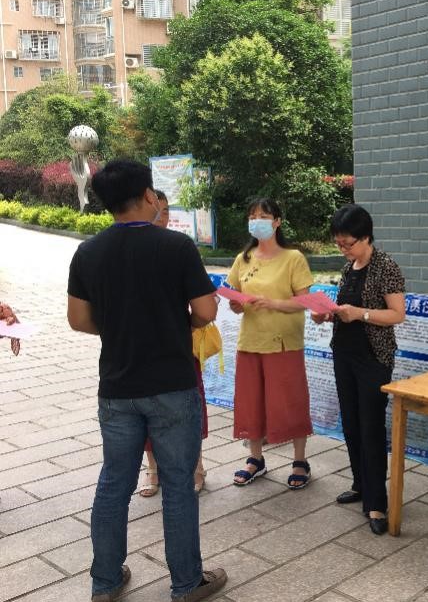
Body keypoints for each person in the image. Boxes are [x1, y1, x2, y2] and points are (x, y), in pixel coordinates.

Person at [67, 159, 226, 602]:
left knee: (114, 482)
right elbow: (206, 311)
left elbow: (78, 320)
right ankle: (186, 584)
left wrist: (120, 328)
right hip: (172, 383)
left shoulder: (88, 252)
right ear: (149, 196)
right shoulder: (176, 247)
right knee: (178, 484)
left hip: (117, 388)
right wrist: (174, 324)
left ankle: (104, 581)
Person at [312, 204, 406, 535]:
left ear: (366, 237)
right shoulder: (348, 266)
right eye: (339, 244)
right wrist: (327, 314)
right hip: (344, 353)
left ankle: (377, 502)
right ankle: (360, 484)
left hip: (373, 358)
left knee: (371, 427)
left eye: (348, 243)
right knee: (350, 423)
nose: (343, 249)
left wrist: (360, 313)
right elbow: (345, 310)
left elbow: (397, 314)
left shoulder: (385, 266)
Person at [227, 199, 315, 489]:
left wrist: (273, 303)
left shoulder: (293, 258)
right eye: (252, 216)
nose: (256, 221)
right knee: (251, 401)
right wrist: (236, 305)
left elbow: (306, 301)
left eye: (263, 216)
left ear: (277, 221)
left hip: (283, 342)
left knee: (290, 400)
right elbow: (235, 295)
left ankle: (300, 460)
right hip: (250, 341)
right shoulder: (243, 258)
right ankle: (255, 459)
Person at [137, 191, 209, 497]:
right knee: (145, 409)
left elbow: (204, 304)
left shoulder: (181, 248)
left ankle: (196, 466)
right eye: (157, 209)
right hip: (141, 348)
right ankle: (153, 469)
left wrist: (188, 324)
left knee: (189, 407)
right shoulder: (130, 250)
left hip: (180, 346)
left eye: (166, 211)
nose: (161, 216)